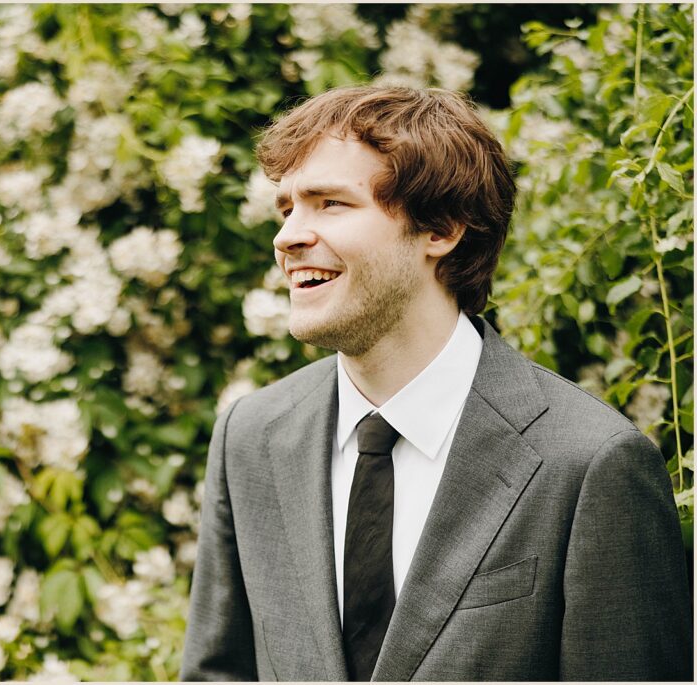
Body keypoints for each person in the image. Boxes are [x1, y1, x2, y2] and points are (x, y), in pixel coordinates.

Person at [179, 86, 693, 681]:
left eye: (329, 204)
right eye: (286, 207)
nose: (288, 236)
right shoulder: (251, 435)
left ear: (441, 229)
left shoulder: (589, 463)